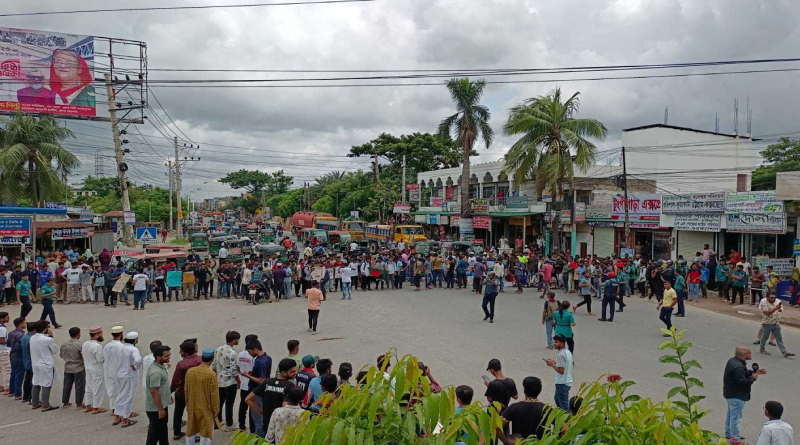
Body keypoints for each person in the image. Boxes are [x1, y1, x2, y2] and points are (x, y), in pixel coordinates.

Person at [723, 346, 767, 443]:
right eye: (749, 352)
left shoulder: (733, 361)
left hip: (730, 393)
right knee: (736, 418)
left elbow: (741, 373)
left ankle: (729, 434)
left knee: (730, 415)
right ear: (743, 355)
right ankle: (735, 439)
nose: (751, 354)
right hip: (737, 395)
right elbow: (743, 382)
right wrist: (753, 377)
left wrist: (753, 372)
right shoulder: (738, 366)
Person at [246, 358, 297, 439]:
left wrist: (260, 413)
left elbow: (248, 399)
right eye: (292, 372)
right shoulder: (290, 386)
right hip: (282, 427)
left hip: (267, 424)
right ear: (283, 372)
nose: (295, 373)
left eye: (295, 370)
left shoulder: (267, 382)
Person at [185, 349, 220, 445]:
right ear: (212, 359)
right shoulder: (211, 374)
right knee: (206, 430)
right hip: (206, 406)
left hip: (192, 404)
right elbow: (214, 394)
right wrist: (216, 409)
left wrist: (188, 403)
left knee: (191, 427)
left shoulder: (190, 371)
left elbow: (186, 389)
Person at [499, 376, 547, 441]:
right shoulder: (546, 409)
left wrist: (506, 440)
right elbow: (564, 428)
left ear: (524, 390)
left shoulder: (514, 407)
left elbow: (497, 424)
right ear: (539, 391)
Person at [171, 340, 201, 440]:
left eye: (181, 351)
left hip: (182, 392)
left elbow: (176, 380)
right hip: (196, 391)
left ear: (186, 352)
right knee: (194, 413)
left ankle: (177, 432)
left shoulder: (181, 364)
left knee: (178, 412)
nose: (180, 352)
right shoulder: (200, 360)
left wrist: (170, 391)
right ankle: (196, 434)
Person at [212, 331, 241, 431]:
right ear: (234, 340)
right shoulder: (232, 353)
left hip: (219, 380)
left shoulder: (218, 349)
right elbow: (234, 369)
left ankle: (218, 422)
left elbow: (214, 364)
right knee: (229, 404)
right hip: (229, 382)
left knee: (219, 402)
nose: (238, 341)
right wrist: (238, 381)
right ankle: (229, 424)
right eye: (237, 339)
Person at [30, 320, 60, 411]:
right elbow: (55, 350)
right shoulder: (47, 339)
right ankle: (45, 404)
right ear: (45, 329)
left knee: (36, 382)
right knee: (46, 384)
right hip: (46, 364)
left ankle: (34, 403)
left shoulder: (32, 338)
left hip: (35, 363)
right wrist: (51, 336)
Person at [115, 331, 142, 427]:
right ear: (135, 339)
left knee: (120, 395)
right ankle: (125, 419)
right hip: (129, 375)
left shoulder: (120, 347)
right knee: (128, 397)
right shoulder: (133, 349)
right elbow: (138, 360)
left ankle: (117, 416)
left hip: (119, 374)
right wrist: (136, 366)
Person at [145, 345, 171, 445]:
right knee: (154, 433)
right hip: (156, 409)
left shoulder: (160, 366)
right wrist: (160, 409)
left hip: (161, 404)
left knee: (162, 431)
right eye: (166, 356)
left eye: (169, 355)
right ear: (158, 357)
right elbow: (154, 391)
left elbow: (162, 386)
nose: (168, 357)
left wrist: (168, 396)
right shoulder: (156, 372)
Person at [758, 293, 795, 358]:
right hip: (768, 323)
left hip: (776, 323)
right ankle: (762, 349)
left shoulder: (776, 302)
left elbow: (779, 310)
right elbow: (767, 313)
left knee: (779, 339)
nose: (773, 299)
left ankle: (784, 353)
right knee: (765, 337)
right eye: (771, 298)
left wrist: (779, 309)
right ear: (767, 297)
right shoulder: (764, 303)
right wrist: (775, 308)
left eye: (774, 298)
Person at [81, 326, 107, 414]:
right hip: (97, 369)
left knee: (88, 386)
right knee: (98, 388)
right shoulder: (97, 346)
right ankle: (96, 407)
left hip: (88, 368)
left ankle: (88, 405)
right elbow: (100, 359)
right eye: (100, 334)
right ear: (96, 335)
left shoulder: (85, 343)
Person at [236, 334, 257, 433]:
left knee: (243, 406)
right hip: (251, 383)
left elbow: (238, 368)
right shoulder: (253, 356)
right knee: (252, 406)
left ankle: (241, 425)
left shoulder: (240, 354)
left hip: (244, 383)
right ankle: (253, 428)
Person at [60, 326, 85, 409]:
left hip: (68, 367)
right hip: (78, 367)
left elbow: (61, 355)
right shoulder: (80, 344)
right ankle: (79, 404)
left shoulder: (64, 345)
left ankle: (65, 403)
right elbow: (83, 356)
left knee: (67, 385)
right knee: (79, 386)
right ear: (78, 334)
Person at [546, 334, 573, 412]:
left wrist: (552, 364)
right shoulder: (567, 352)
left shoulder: (560, 355)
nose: (554, 343)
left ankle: (567, 422)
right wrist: (555, 362)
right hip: (567, 380)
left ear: (562, 343)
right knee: (557, 399)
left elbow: (561, 371)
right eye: (554, 341)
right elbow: (566, 363)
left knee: (564, 407)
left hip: (562, 383)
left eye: (556, 342)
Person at [103, 325, 125, 422]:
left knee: (112, 392)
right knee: (121, 392)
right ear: (121, 334)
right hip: (119, 372)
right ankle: (120, 414)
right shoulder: (121, 346)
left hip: (109, 372)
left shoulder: (107, 346)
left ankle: (115, 411)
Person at [7, 317, 25, 400]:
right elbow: (19, 347)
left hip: (12, 355)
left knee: (13, 373)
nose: (25, 324)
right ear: (21, 324)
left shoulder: (11, 333)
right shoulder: (20, 335)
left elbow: (8, 344)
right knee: (19, 375)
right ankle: (18, 393)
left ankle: (12, 391)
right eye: (25, 323)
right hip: (19, 356)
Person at [0, 312, 9, 394]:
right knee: (6, 369)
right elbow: (2, 340)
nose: (8, 318)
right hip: (3, 350)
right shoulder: (2, 329)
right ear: (2, 319)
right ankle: (6, 388)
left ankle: (1, 385)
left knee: (0, 369)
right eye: (6, 317)